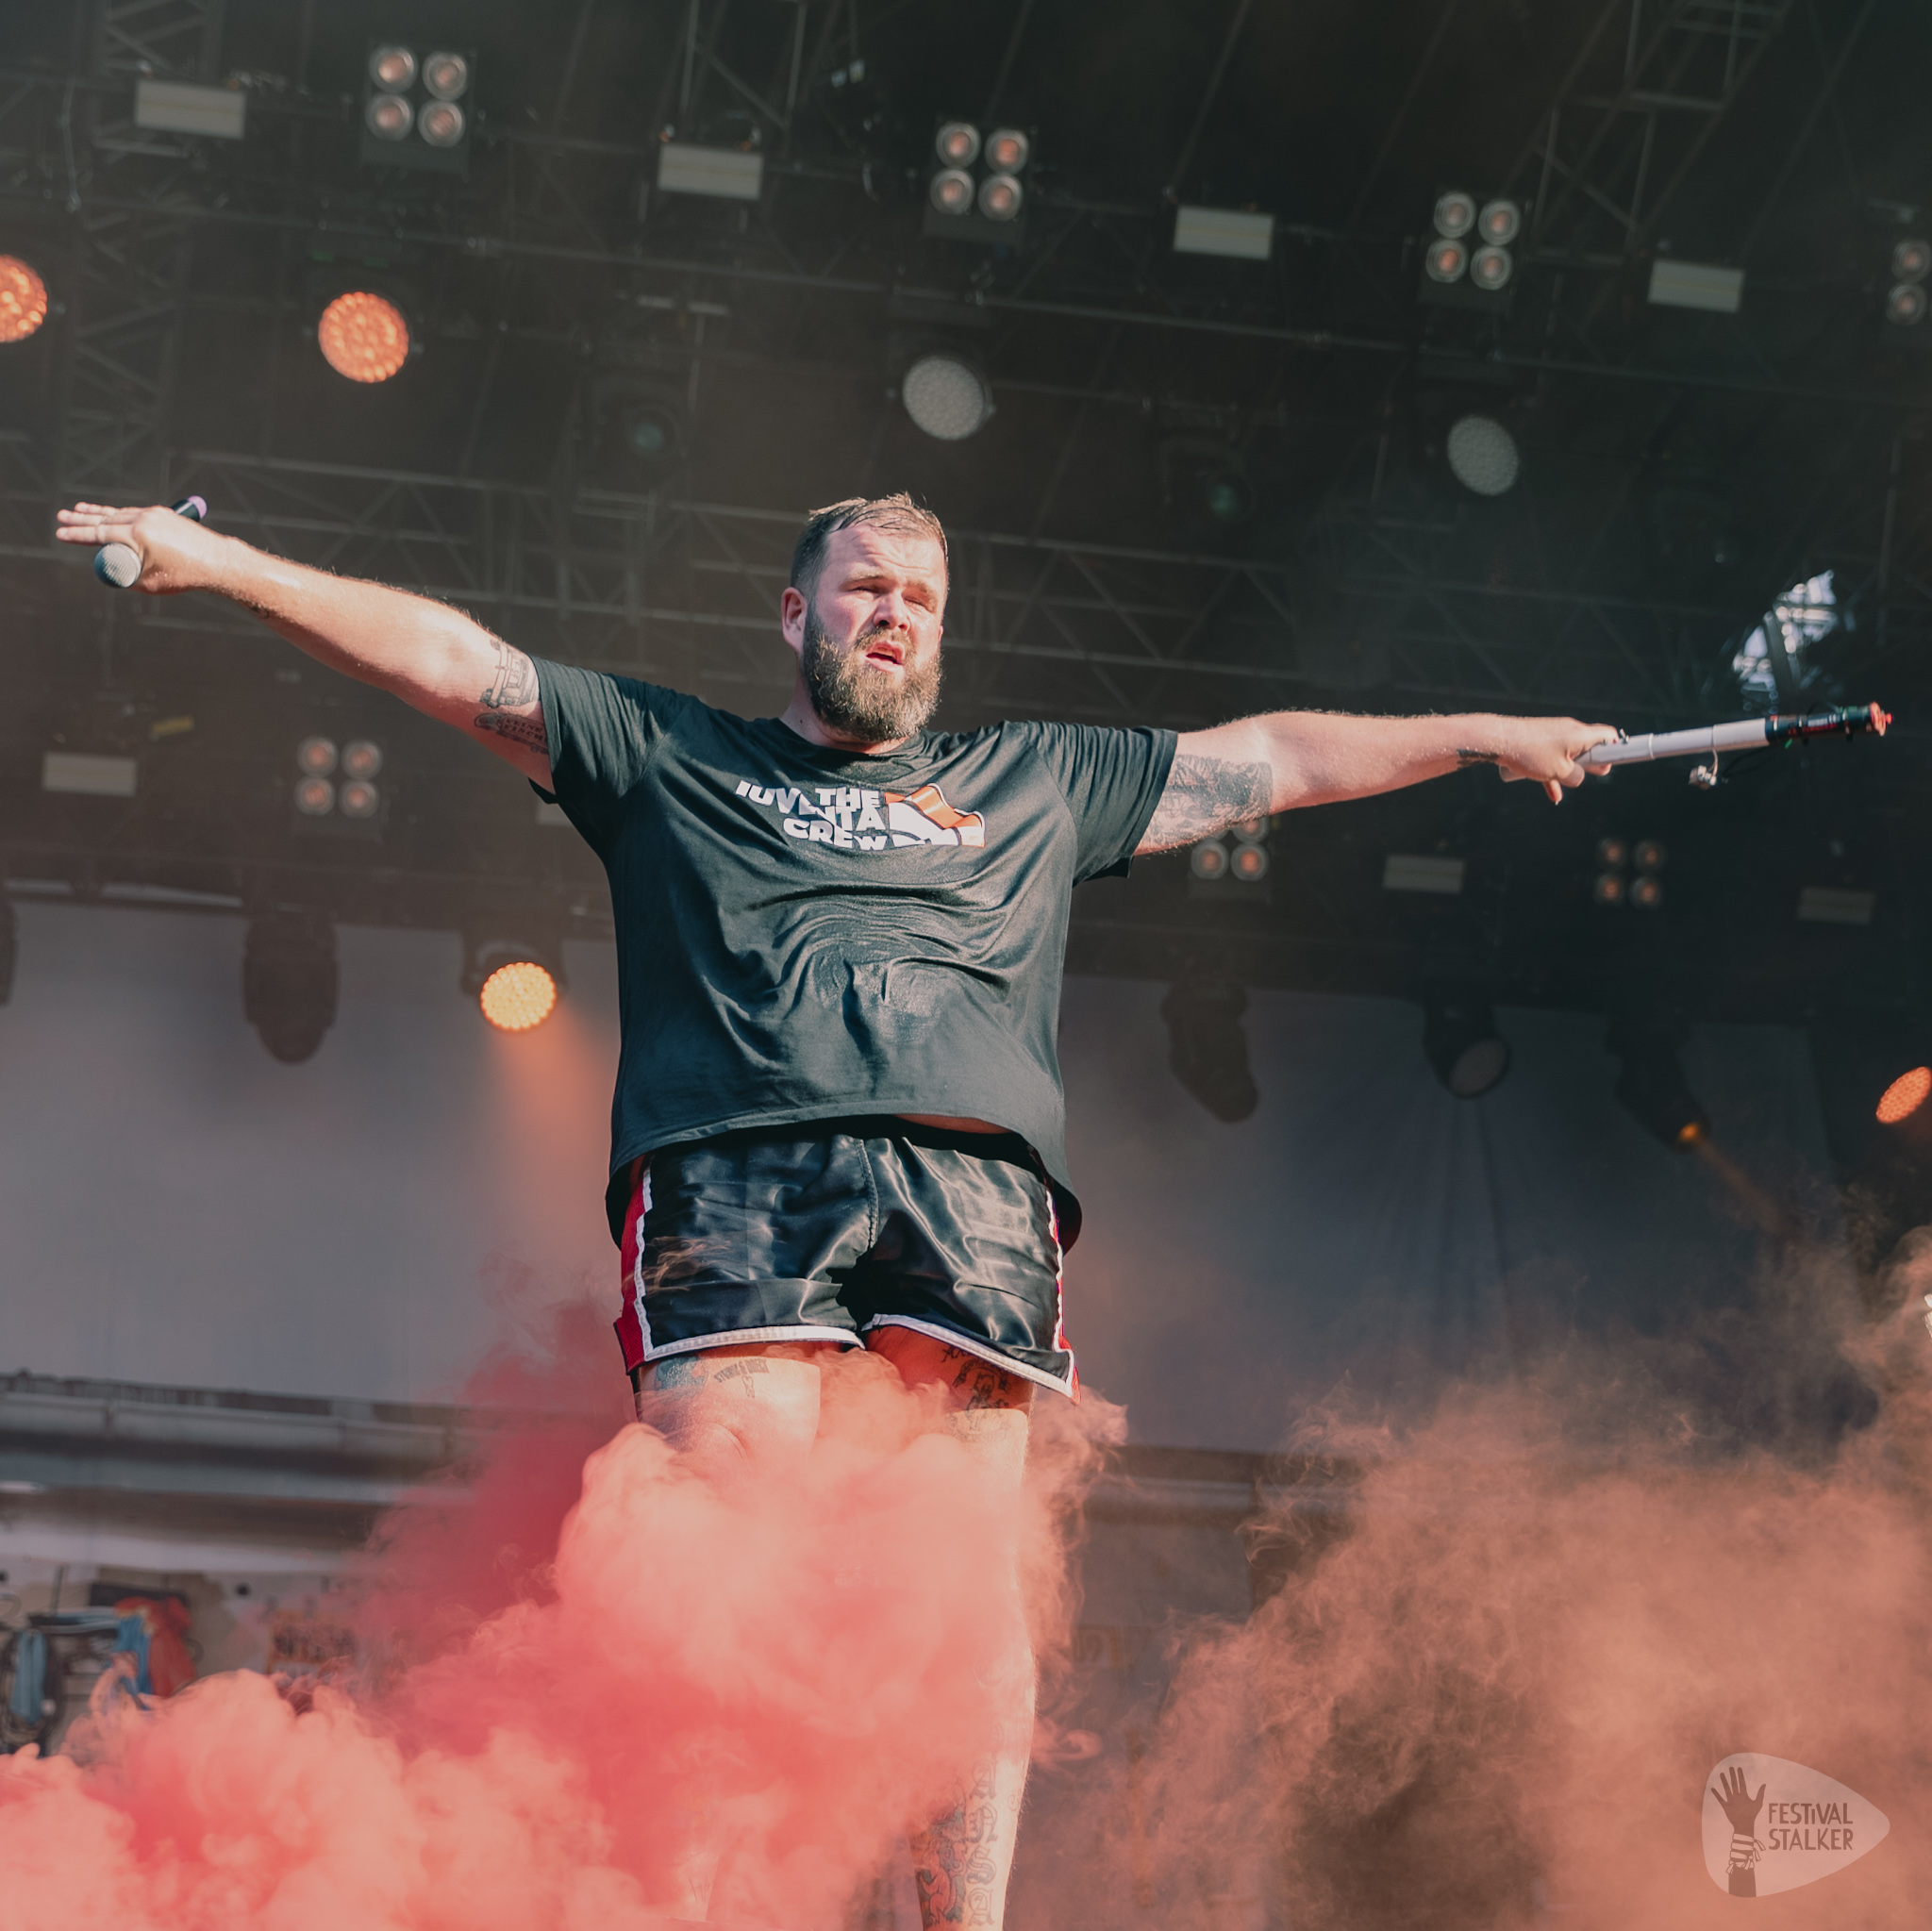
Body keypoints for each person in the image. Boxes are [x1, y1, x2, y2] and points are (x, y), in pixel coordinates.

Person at [55, 490, 1617, 1929]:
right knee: (716, 1559)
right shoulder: (671, 755)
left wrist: (1481, 733)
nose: (895, 614)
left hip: (972, 1186)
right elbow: (459, 666)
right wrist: (226, 564)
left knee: (964, 1578)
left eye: (921, 598)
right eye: (866, 588)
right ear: (795, 612)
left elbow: (1270, 757)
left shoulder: (1035, 778)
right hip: (738, 1169)